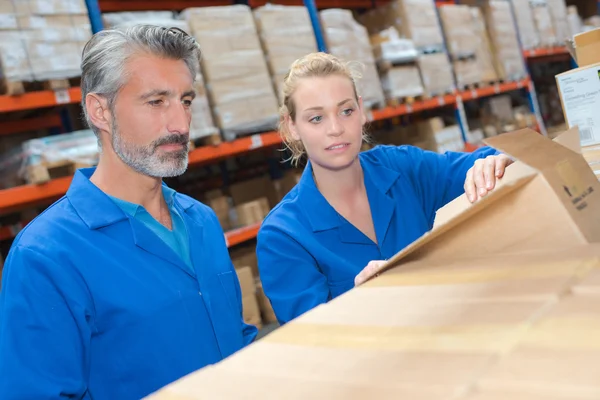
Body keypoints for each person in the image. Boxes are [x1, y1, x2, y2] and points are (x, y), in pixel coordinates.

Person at [0, 25, 257, 400]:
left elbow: (233, 338)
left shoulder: (201, 220)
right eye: (156, 102)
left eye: (185, 101)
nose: (181, 124)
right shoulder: (45, 256)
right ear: (100, 111)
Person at [256, 52, 512, 325]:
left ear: (361, 110)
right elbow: (309, 342)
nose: (336, 128)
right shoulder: (283, 236)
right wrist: (361, 304)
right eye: (316, 118)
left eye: (346, 111)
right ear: (292, 126)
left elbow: (497, 158)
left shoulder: (402, 169)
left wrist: (495, 162)